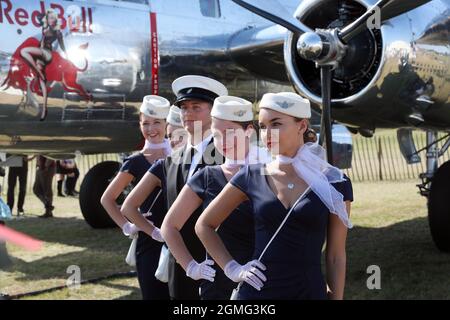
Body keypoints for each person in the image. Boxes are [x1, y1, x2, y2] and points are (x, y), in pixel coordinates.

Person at [196, 92, 353, 300]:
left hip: (308, 292)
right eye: (262, 126)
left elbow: (335, 256)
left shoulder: (335, 183)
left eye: (276, 124)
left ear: (302, 126)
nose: (267, 134)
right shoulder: (250, 175)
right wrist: (233, 269)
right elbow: (204, 225)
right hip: (256, 296)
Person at [122, 75, 228, 300]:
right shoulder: (172, 161)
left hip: (217, 264)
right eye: (184, 108)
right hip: (179, 265)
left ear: (213, 112)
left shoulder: (226, 157)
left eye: (196, 107)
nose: (188, 114)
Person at [161, 95, 272, 299]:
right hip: (220, 284)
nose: (223, 142)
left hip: (268, 278)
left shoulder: (271, 171)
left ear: (248, 131)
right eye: (216, 135)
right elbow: (169, 226)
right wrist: (191, 267)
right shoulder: (207, 177)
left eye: (230, 133)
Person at [101, 95, 171, 300]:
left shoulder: (180, 156)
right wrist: (127, 226)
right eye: (145, 123)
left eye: (157, 122)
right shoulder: (135, 161)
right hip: (149, 241)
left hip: (178, 238)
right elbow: (108, 199)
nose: (151, 129)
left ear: (167, 124)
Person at [20, 9, 66, 121]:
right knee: (41, 81)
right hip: (40, 54)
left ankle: (39, 72)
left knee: (24, 51)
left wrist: (66, 54)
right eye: (48, 18)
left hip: (47, 54)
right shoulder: (44, 27)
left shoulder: (57, 31)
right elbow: (39, 17)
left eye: (52, 18)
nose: (49, 20)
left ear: (55, 20)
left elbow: (62, 44)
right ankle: (44, 109)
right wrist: (48, 14)